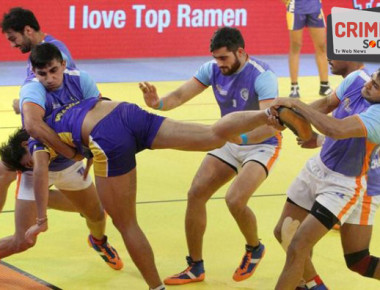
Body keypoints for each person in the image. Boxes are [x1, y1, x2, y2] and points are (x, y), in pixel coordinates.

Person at [140, 26, 281, 285]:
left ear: (241, 52)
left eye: (224, 58)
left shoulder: (263, 76)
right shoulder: (212, 69)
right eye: (215, 58)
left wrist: (245, 139)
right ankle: (195, 266)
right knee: (196, 194)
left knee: (235, 200)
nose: (219, 64)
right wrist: (157, 103)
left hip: (261, 143)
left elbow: (269, 123)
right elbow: (182, 94)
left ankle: (255, 248)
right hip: (229, 139)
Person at [268, 67, 380, 289]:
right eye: (373, 79)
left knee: (303, 247)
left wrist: (296, 104)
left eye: (376, 86)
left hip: (346, 183)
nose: (369, 84)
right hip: (318, 167)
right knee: (284, 232)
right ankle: (314, 285)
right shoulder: (357, 79)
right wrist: (289, 117)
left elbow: (336, 129)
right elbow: (327, 105)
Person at [0, 129, 123, 270]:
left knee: (97, 214)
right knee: (24, 241)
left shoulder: (59, 123)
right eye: (29, 164)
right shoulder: (27, 154)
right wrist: (41, 219)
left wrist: (90, 153)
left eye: (29, 162)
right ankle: (42, 200)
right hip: (34, 175)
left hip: (69, 168)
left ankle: (97, 241)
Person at [0, 6, 78, 212]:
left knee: (22, 237)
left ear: (27, 30)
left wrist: (24, 105)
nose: (11, 44)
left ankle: (94, 207)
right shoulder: (42, 51)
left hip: (46, 138)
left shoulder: (55, 53)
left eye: (12, 37)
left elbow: (64, 90)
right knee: (3, 173)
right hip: (39, 133)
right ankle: (93, 209)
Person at [282, 0, 332, 98]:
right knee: (295, 46)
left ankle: (324, 86)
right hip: (296, 8)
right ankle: (294, 87)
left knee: (321, 46)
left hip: (314, 7)